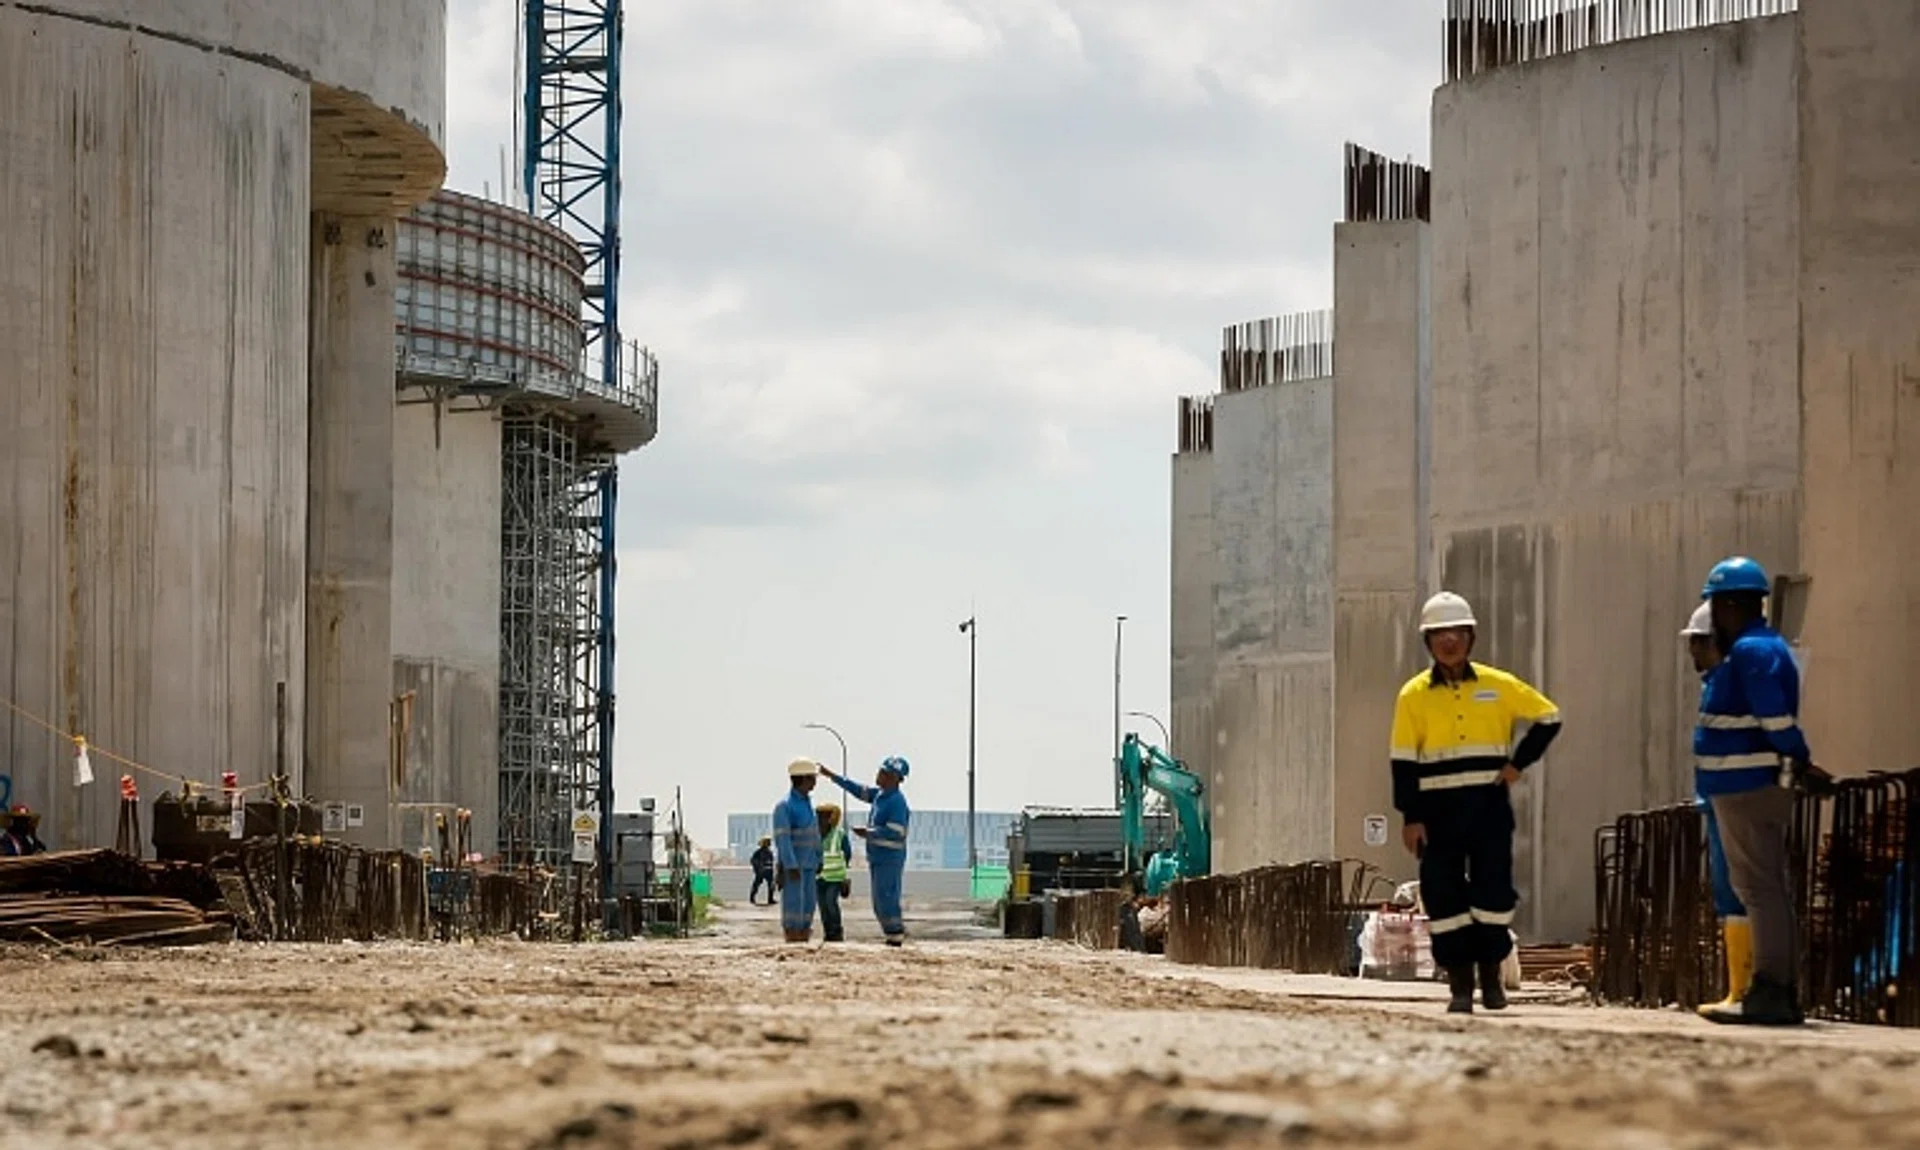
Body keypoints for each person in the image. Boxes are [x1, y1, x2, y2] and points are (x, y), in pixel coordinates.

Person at [1390, 591, 1562, 1014]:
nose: (1449, 641)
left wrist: (1518, 763)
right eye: (1440, 634)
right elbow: (1403, 761)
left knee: (1493, 893)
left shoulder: (1497, 685)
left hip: (1487, 807)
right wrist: (1411, 817)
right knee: (1443, 897)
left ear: (1471, 637)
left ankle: (1491, 976)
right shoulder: (1413, 695)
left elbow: (1549, 717)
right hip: (1437, 812)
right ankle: (1460, 986)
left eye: (1457, 632)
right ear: (1428, 641)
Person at [1694, 556, 1831, 1026]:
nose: (1713, 617)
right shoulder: (1760, 648)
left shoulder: (1752, 651)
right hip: (1744, 785)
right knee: (1764, 886)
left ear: (1730, 605)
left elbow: (1774, 717)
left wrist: (1798, 756)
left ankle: (1772, 988)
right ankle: (1774, 988)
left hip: (1746, 786)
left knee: (1759, 888)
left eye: (1715, 607)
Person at [1680, 602, 1751, 1018]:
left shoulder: (1733, 681)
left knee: (1742, 891)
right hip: (1717, 797)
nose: (1692, 650)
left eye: (1697, 642)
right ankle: (1738, 988)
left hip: (1735, 797)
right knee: (1727, 893)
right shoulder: (1716, 683)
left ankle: (1746, 989)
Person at [822, 756, 912, 946]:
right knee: (879, 899)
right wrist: (833, 776)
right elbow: (858, 790)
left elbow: (897, 831)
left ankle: (895, 933)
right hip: (878, 857)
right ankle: (892, 932)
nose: (879, 775)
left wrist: (869, 832)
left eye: (884, 773)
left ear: (895, 778)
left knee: (887, 897)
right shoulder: (880, 795)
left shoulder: (896, 801)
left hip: (889, 858)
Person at [772, 758, 823, 943]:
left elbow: (815, 835)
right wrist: (790, 864)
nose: (815, 782)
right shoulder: (785, 806)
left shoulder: (808, 805)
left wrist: (819, 858)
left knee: (808, 903)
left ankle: (804, 933)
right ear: (803, 778)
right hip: (795, 866)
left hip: (809, 864)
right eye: (812, 777)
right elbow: (783, 839)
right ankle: (792, 934)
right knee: (794, 902)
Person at [816, 803, 854, 943]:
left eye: (823, 816)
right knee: (822, 906)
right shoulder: (815, 835)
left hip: (835, 877)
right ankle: (828, 932)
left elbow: (847, 853)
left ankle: (836, 931)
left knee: (831, 903)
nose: (819, 819)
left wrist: (842, 870)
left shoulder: (840, 834)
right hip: (819, 877)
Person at [749, 836, 776, 906]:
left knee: (771, 885)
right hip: (761, 871)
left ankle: (770, 899)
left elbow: (771, 861)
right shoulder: (758, 852)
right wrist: (758, 868)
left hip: (769, 870)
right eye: (768, 842)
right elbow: (753, 861)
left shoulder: (769, 852)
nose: (769, 843)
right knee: (756, 884)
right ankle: (752, 898)